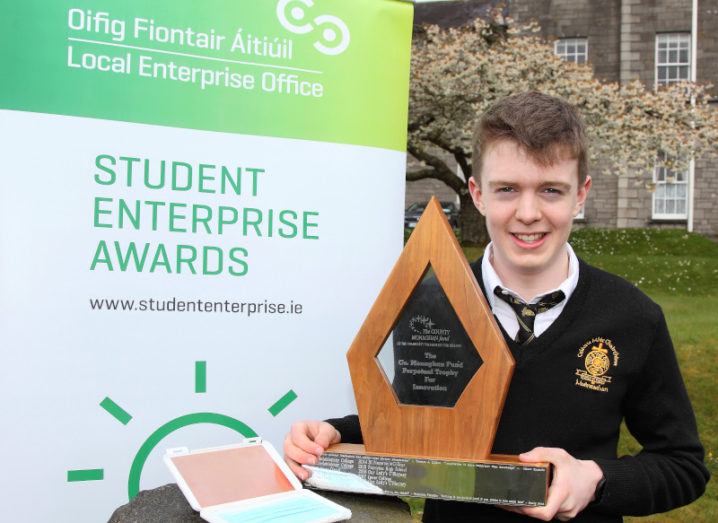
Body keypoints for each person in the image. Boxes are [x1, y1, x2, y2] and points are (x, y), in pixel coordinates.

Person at [283, 91, 710, 521]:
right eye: (507, 189)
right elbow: (415, 416)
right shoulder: (432, 300)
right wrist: (336, 432)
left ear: (580, 196)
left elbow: (684, 464)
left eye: (551, 190)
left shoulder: (632, 317)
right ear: (477, 193)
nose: (528, 212)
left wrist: (595, 479)